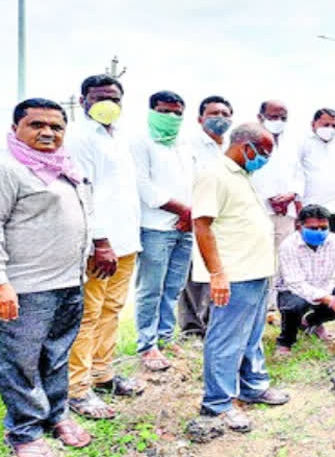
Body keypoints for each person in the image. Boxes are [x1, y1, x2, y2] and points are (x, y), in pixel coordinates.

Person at [0, 99, 93, 456]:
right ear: (16, 129)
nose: (47, 133)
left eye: (55, 127)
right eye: (36, 125)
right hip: (26, 287)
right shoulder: (9, 169)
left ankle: (57, 415)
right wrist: (2, 282)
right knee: (20, 362)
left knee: (56, 355)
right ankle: (24, 432)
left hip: (68, 281)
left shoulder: (64, 168)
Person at [193, 122, 289, 433]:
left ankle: (253, 385)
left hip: (257, 270)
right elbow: (202, 225)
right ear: (245, 146)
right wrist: (217, 273)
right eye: (263, 152)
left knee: (252, 334)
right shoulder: (215, 174)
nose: (265, 159)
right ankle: (217, 403)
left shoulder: (243, 175)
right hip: (234, 273)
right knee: (226, 338)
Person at [67, 74, 144, 419]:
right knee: (88, 315)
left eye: (113, 98)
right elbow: (84, 192)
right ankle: (77, 390)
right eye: (98, 97)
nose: (106, 104)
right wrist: (100, 242)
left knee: (112, 310)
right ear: (83, 99)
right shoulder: (80, 138)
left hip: (126, 240)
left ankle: (103, 374)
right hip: (100, 245)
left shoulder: (120, 136)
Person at [131, 91, 194, 371]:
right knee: (151, 288)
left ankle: (166, 337)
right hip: (156, 227)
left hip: (186, 227)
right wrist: (182, 210)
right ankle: (147, 345)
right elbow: (144, 186)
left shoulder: (183, 143)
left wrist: (190, 214)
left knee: (173, 287)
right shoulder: (140, 142)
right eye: (164, 111)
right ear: (151, 111)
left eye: (177, 112)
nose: (171, 117)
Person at [275, 205, 335, 355]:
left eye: (323, 227)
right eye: (313, 228)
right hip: (294, 292)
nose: (319, 232)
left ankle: (311, 322)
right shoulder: (288, 246)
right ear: (299, 226)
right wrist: (332, 301)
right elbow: (296, 284)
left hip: (325, 289)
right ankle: (286, 341)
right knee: (294, 306)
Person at [178, 95, 234, 338]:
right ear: (200, 118)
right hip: (197, 214)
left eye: (224, 114)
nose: (219, 119)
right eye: (214, 114)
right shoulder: (188, 145)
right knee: (193, 274)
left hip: (225, 217)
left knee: (218, 270)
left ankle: (215, 324)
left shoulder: (232, 145)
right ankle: (192, 328)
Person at [253, 100, 303, 252]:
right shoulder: (249, 140)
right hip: (258, 209)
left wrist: (292, 194)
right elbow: (245, 174)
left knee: (284, 257)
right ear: (260, 117)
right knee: (258, 256)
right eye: (273, 117)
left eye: (283, 118)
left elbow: (299, 173)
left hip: (286, 211)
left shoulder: (292, 142)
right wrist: (271, 198)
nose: (278, 121)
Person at [299, 108, 335, 233]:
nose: (330, 129)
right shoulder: (303, 143)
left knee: (333, 246)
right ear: (313, 124)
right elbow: (295, 172)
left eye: (334, 126)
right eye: (326, 125)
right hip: (310, 206)